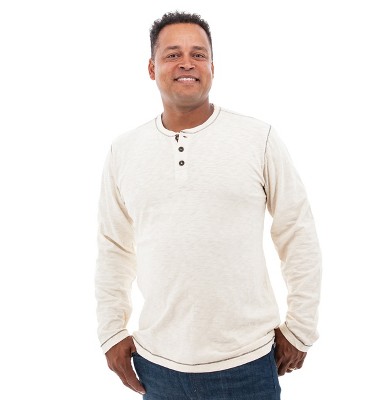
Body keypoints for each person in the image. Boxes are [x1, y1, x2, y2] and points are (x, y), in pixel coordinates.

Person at [95, 11, 322, 400]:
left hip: (248, 363)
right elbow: (113, 247)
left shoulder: (258, 138)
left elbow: (297, 232)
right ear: (152, 68)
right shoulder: (124, 151)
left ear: (212, 68)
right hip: (157, 366)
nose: (186, 63)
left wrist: (301, 328)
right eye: (173, 54)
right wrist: (111, 331)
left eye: (198, 54)